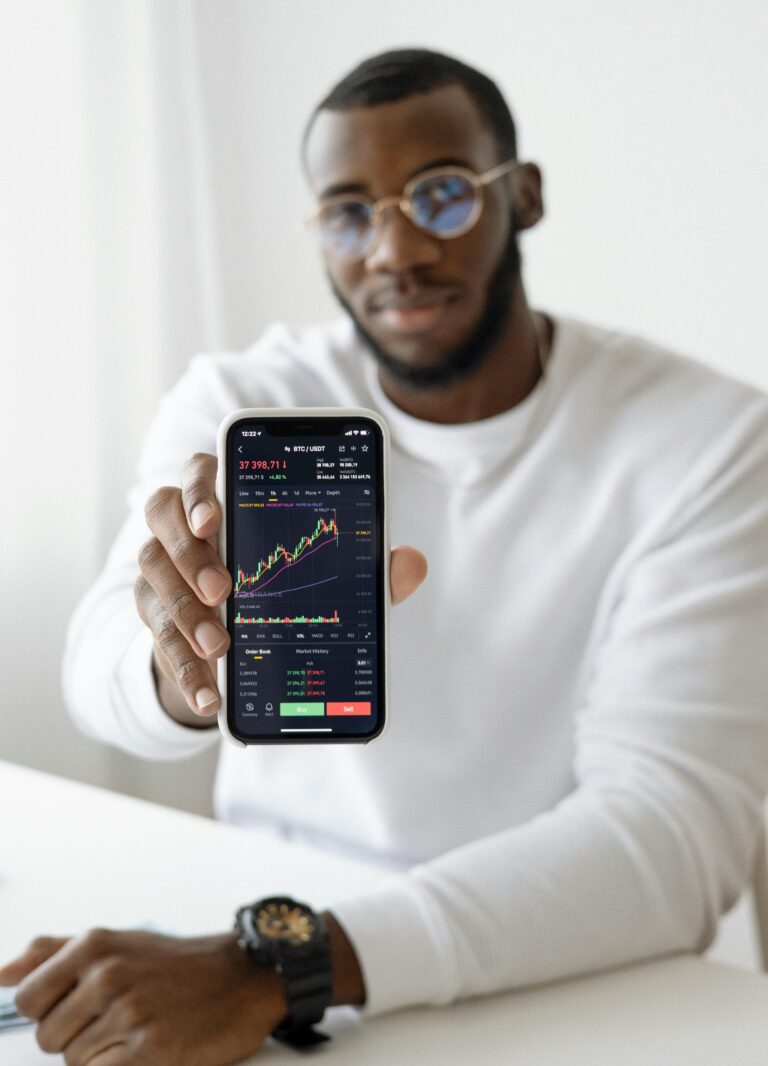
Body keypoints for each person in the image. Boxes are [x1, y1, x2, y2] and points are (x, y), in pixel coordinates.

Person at [4, 46, 768, 1064]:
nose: (394, 250)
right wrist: (177, 666)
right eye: (350, 211)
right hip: (247, 916)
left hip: (561, 962)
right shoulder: (244, 401)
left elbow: (670, 837)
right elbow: (96, 673)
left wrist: (279, 968)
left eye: (442, 196)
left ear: (524, 196)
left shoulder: (709, 441)